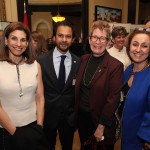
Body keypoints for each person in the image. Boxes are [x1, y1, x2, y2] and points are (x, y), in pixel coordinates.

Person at [0, 22, 50, 150]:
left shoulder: (35, 66)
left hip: (34, 128)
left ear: (27, 44)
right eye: (14, 38)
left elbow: (40, 98)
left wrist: (39, 125)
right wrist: (15, 133)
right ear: (5, 41)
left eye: (23, 40)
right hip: (7, 130)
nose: (18, 44)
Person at [75, 20, 124, 150]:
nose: (97, 42)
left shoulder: (115, 66)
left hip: (100, 120)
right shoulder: (84, 59)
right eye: (95, 37)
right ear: (90, 39)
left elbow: (113, 99)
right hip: (82, 118)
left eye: (102, 38)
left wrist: (101, 126)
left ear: (108, 42)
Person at [37, 20, 80, 150]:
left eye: (68, 36)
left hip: (68, 118)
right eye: (60, 35)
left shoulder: (78, 62)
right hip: (47, 116)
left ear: (73, 39)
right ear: (54, 37)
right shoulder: (41, 60)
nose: (64, 39)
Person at [121, 27, 150, 150]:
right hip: (126, 135)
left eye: (144, 46)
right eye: (135, 44)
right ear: (129, 47)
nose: (138, 50)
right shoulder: (128, 70)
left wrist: (146, 140)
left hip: (141, 141)